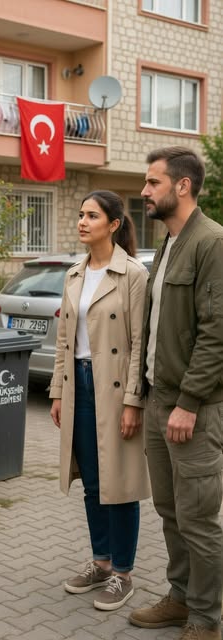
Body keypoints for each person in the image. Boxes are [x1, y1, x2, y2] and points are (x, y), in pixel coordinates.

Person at [128, 147, 223, 640]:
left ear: (182, 186)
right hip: (159, 401)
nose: (144, 191)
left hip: (194, 410)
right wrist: (144, 397)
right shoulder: (168, 243)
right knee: (170, 512)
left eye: (153, 182)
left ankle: (206, 619)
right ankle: (181, 596)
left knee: (198, 518)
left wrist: (188, 403)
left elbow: (216, 333)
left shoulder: (212, 243)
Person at [50, 190, 151, 611]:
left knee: (120, 483)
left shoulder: (133, 274)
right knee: (92, 482)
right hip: (79, 384)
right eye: (80, 214)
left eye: (92, 215)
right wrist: (57, 392)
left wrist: (133, 401)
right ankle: (102, 561)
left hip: (114, 386)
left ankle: (123, 574)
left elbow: (140, 343)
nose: (82, 221)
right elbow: (63, 340)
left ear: (113, 224)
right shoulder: (74, 274)